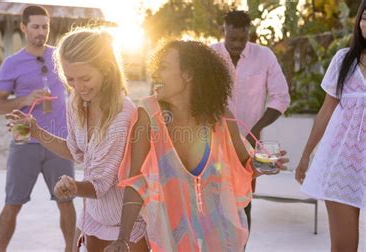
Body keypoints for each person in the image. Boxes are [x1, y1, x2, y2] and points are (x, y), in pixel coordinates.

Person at [104, 41, 288, 251]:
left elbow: (244, 167)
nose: (155, 74)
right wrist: (123, 238)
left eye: (163, 67)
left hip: (221, 238)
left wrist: (264, 165)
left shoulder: (220, 119)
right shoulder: (148, 114)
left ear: (188, 74)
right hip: (171, 241)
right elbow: (136, 181)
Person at [6, 27, 148, 251]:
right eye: (70, 78)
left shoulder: (123, 115)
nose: (78, 87)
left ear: (107, 71)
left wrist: (73, 187)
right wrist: (35, 131)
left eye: (85, 78)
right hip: (92, 216)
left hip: (124, 225)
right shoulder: (77, 102)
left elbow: (100, 184)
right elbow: (76, 151)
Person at [0, 5, 76, 252]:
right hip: (23, 139)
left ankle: (70, 249)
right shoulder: (12, 63)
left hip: (59, 142)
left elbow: (80, 89)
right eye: (36, 26)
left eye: (45, 27)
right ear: (23, 27)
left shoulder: (61, 57)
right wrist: (24, 100)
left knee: (66, 201)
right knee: (13, 203)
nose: (41, 32)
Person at [295, 2, 366, 251]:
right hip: (341, 164)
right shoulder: (343, 60)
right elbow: (325, 112)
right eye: (365, 18)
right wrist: (306, 156)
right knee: (344, 247)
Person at [211, 10, 291, 230]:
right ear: (223, 31)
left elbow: (281, 98)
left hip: (248, 148)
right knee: (213, 203)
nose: (237, 44)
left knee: (243, 205)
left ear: (249, 33)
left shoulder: (264, 56)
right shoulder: (209, 55)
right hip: (212, 145)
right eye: (232, 39)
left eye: (242, 39)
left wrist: (251, 132)